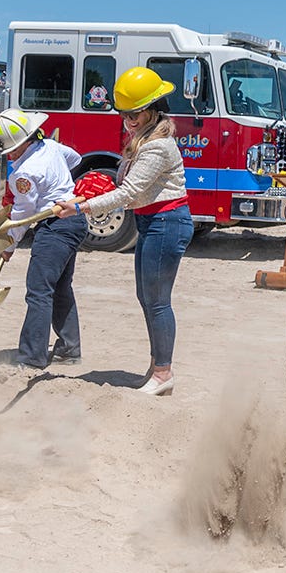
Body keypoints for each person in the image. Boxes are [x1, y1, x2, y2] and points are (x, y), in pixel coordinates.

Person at [62, 65, 190, 397]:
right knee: (147, 297)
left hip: (165, 222)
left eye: (135, 113)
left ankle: (163, 374)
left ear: (152, 109)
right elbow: (127, 188)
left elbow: (129, 193)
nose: (129, 120)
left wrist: (82, 206)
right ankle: (157, 366)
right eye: (124, 114)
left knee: (158, 301)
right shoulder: (144, 139)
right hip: (153, 222)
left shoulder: (157, 146)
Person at [0, 109, 85, 370]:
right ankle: (68, 349)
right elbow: (75, 159)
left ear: (22, 143)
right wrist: (59, 182)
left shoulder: (24, 174)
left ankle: (31, 357)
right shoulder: (51, 146)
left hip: (55, 227)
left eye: (9, 150)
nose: (7, 155)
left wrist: (10, 244)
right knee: (61, 288)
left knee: (39, 291)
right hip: (74, 220)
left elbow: (23, 214)